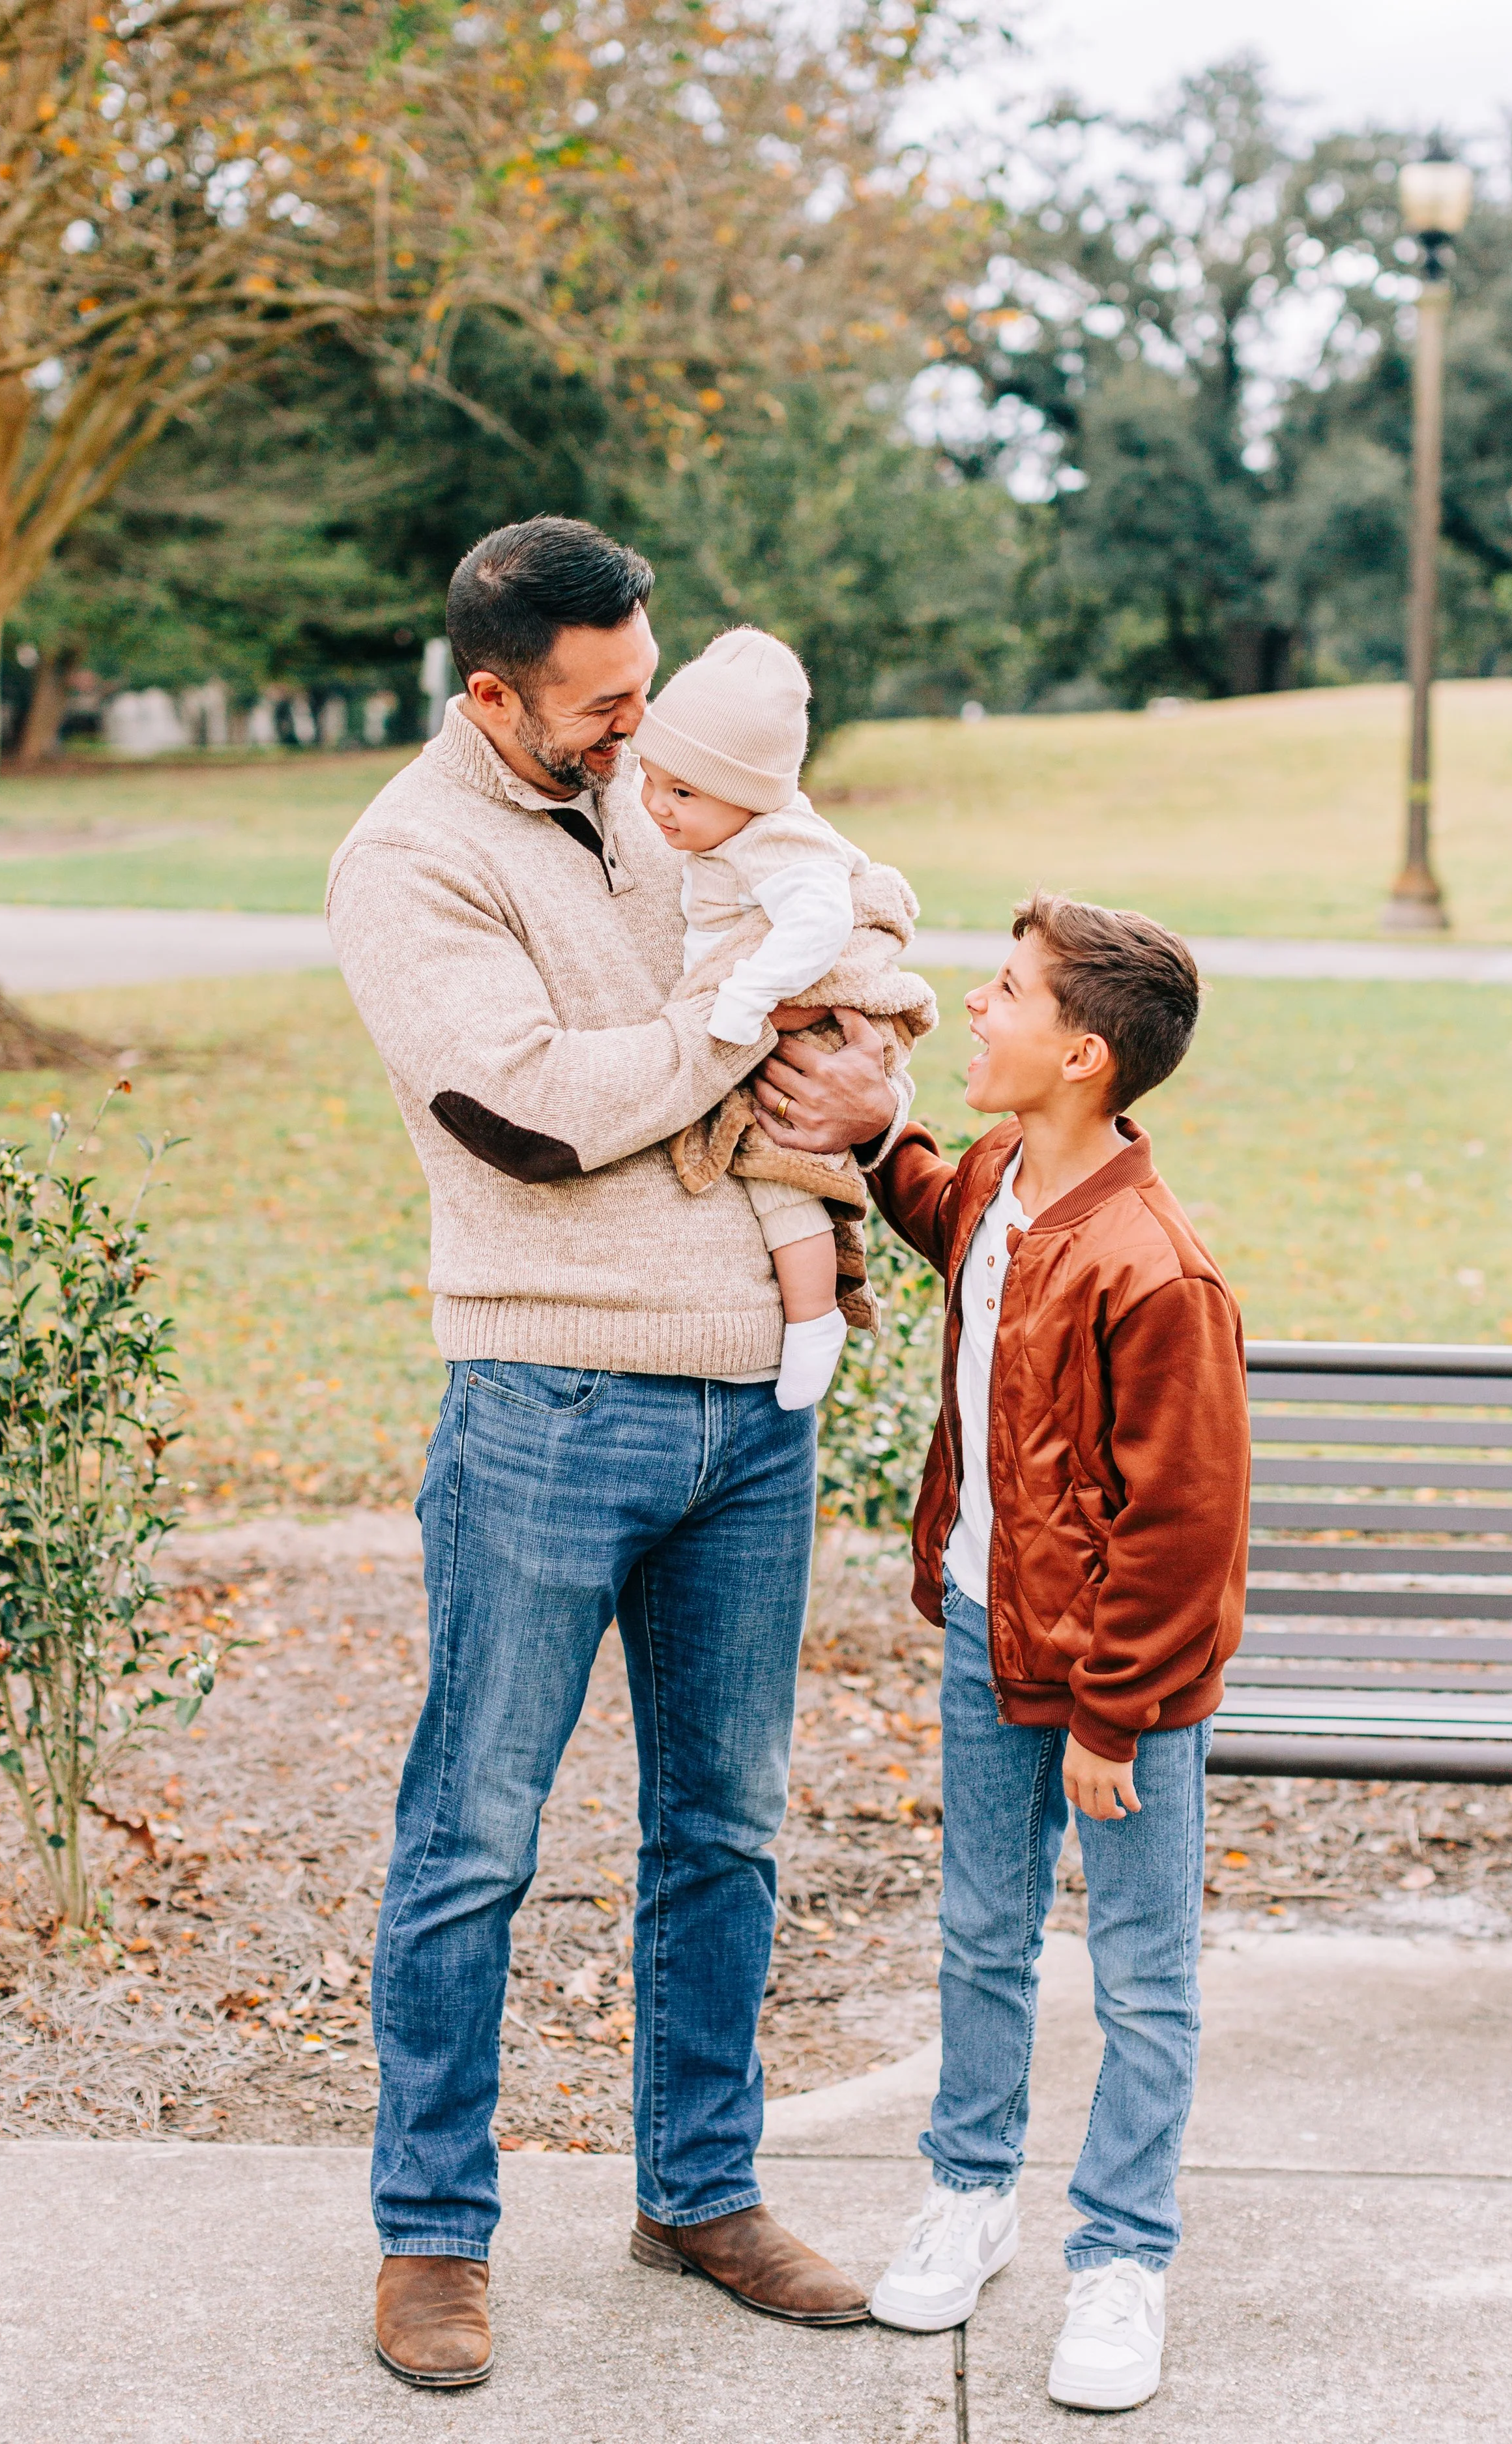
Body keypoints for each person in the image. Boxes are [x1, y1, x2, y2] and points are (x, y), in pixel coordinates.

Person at [325, 516, 905, 2389]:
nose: (637, 736)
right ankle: (432, 2230)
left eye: (645, 689)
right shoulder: (408, 859)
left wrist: (863, 1076)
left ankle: (700, 2189)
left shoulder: (670, 779)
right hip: (547, 1404)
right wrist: (740, 1031)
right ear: (493, 694)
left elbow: (835, 912)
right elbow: (533, 1112)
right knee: (473, 1835)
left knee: (725, 1826)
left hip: (751, 1408)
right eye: (599, 706)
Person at [854, 895, 1251, 2413]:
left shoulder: (1155, 1270)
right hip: (985, 1633)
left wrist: (1113, 1714)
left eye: (1005, 990)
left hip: (1118, 1689)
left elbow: (1183, 1524)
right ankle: (968, 2193)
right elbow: (940, 1214)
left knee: (1140, 1976)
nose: (973, 1001)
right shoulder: (1001, 1179)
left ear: (1082, 1055)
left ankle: (1121, 2257)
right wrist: (870, 1135)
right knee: (981, 1932)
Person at [635, 624, 933, 1412]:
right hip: (766, 1016)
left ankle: (814, 1319)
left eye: (681, 793)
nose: (655, 806)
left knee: (781, 1178)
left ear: (751, 792)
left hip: (806, 1024)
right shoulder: (728, 827)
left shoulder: (777, 841)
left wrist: (748, 996)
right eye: (649, 779)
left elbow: (821, 924)